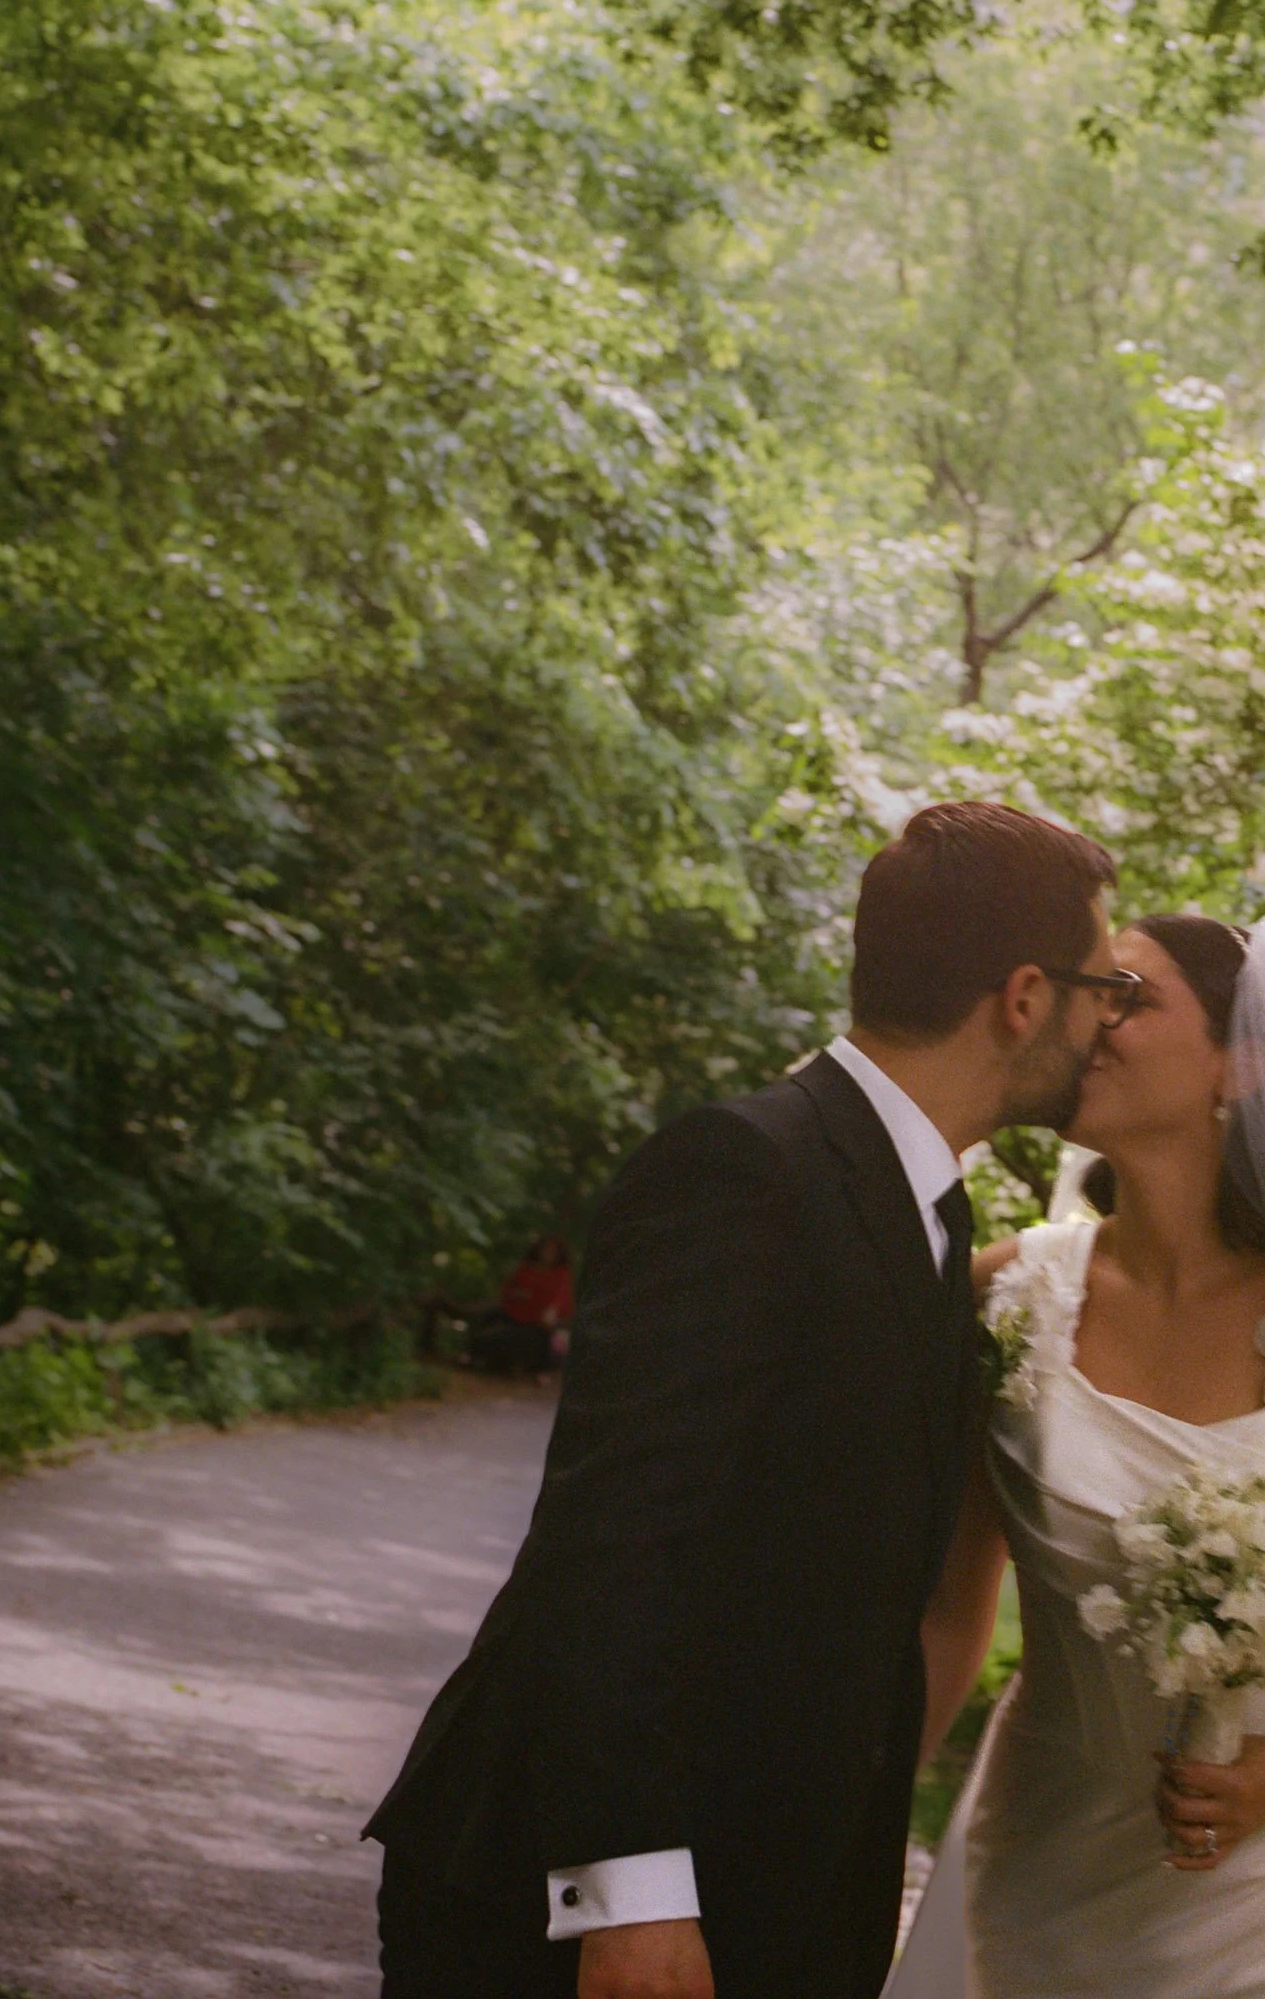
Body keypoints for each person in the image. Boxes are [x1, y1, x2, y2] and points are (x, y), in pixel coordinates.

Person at [365, 801, 1129, 1999]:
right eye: (1103, 989)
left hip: (763, 1899)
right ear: (1024, 995)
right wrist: (632, 1893)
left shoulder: (926, 1209)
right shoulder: (747, 1170)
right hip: (583, 1913)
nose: (1109, 1024)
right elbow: (613, 1544)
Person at [893, 913, 1265, 1999]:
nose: (1091, 1023)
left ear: (1239, 1066)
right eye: (1093, 992)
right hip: (1052, 1864)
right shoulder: (1004, 1297)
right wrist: (848, 1828)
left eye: (1132, 999)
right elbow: (951, 1611)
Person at [468, 1236, 577, 1376]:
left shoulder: (561, 1274)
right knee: (486, 1319)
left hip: (535, 1325)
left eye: (552, 1251)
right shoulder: (527, 1268)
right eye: (545, 1249)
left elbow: (561, 1299)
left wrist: (552, 1311)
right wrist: (517, 1294)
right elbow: (508, 1290)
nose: (548, 1253)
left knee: (505, 1337)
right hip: (513, 1314)